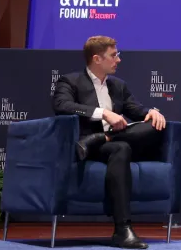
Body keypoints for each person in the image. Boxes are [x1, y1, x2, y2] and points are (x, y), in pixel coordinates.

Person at [52, 35, 166, 249]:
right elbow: (61, 105)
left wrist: (151, 112)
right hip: (82, 148)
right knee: (122, 145)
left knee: (148, 129)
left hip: (106, 143)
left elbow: (136, 110)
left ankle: (100, 139)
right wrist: (103, 113)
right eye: (114, 56)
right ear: (97, 59)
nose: (119, 60)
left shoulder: (118, 86)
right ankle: (123, 229)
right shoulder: (71, 81)